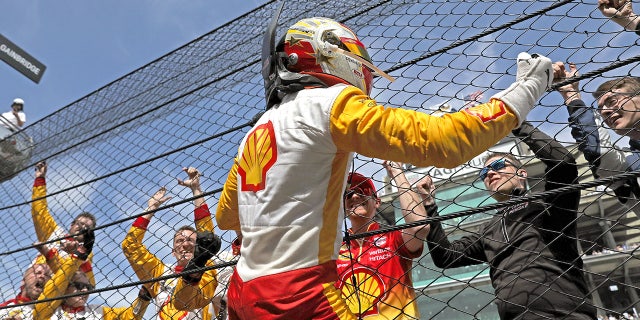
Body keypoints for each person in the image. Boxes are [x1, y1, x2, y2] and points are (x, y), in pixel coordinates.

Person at [192, 14, 553, 319]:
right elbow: (442, 142)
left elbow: (228, 218)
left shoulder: (256, 129)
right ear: (332, 53)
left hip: (243, 289)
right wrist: (529, 87)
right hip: (298, 290)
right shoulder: (327, 102)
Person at [423, 121, 597, 319]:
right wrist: (429, 205)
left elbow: (562, 163)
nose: (489, 173)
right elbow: (446, 257)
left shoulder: (546, 205)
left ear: (521, 173)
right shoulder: (488, 228)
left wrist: (515, 122)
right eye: (483, 174)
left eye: (498, 166)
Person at [121, 167, 220, 319]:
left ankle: (192, 274)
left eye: (191, 240)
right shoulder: (160, 272)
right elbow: (130, 246)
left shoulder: (208, 267)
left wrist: (196, 190)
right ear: (173, 251)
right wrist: (151, 209)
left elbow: (207, 235)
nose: (185, 244)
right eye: (179, 241)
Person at [335, 161, 429, 319]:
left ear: (377, 202)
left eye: (363, 190)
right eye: (348, 194)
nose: (355, 195)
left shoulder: (392, 236)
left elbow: (419, 227)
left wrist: (397, 172)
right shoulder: (334, 251)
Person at [553, 62, 640, 219]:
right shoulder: (627, 165)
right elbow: (598, 151)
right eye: (600, 109)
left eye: (612, 101)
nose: (605, 111)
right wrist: (570, 94)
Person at [27, 229, 151, 320]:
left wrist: (144, 297)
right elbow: (58, 282)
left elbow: (130, 316)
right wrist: (77, 257)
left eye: (89, 287)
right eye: (79, 286)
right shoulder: (48, 312)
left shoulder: (98, 312)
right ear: (64, 288)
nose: (86, 290)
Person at [31, 160, 97, 286]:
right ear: (71, 224)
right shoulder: (54, 232)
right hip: (32, 282)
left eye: (87, 228)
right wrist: (40, 179)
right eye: (80, 224)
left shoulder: (86, 252)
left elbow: (78, 276)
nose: (82, 228)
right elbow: (39, 211)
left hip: (54, 293)